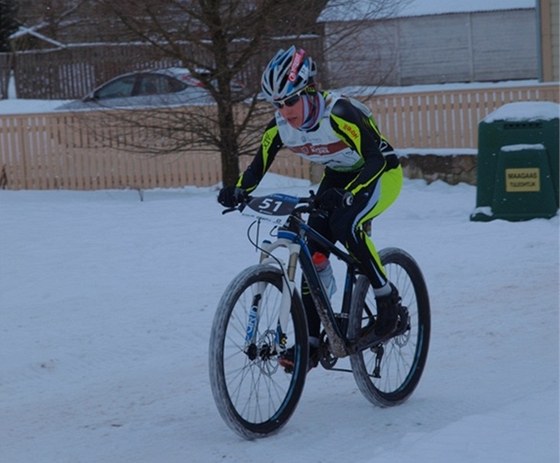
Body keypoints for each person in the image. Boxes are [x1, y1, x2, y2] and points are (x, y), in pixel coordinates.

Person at [218, 45, 403, 370]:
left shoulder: (340, 113)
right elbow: (258, 166)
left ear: (309, 91)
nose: (284, 110)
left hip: (380, 174)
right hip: (338, 176)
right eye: (277, 103)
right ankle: (315, 338)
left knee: (347, 224)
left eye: (290, 100)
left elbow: (376, 159)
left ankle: (388, 299)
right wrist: (238, 191)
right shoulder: (279, 127)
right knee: (312, 246)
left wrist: (349, 194)